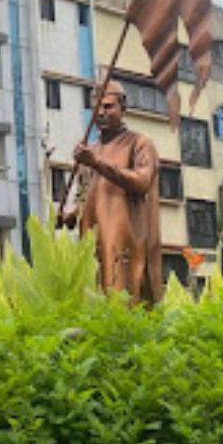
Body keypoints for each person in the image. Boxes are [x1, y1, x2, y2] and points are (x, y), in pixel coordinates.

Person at [58, 80, 163, 305]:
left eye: (107, 107)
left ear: (122, 108)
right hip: (94, 242)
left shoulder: (139, 143)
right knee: (95, 301)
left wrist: (98, 163)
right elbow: (87, 196)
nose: (101, 113)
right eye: (96, 108)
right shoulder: (90, 152)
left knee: (126, 303)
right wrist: (70, 216)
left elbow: (142, 182)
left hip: (126, 242)